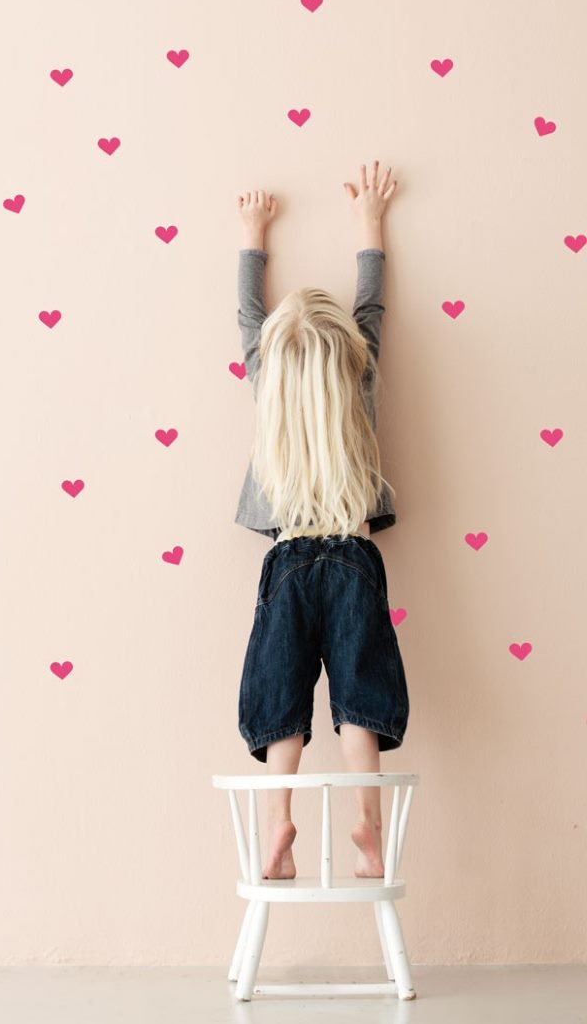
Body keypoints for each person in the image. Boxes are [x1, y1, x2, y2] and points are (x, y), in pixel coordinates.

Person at [235, 162, 409, 882]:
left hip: (288, 557)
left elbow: (249, 315)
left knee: (282, 696)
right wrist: (370, 221)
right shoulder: (359, 373)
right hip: (354, 555)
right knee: (358, 692)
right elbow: (372, 309)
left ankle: (279, 826)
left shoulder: (266, 381)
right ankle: (366, 822)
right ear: (346, 354)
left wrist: (254, 233)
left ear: (273, 363)